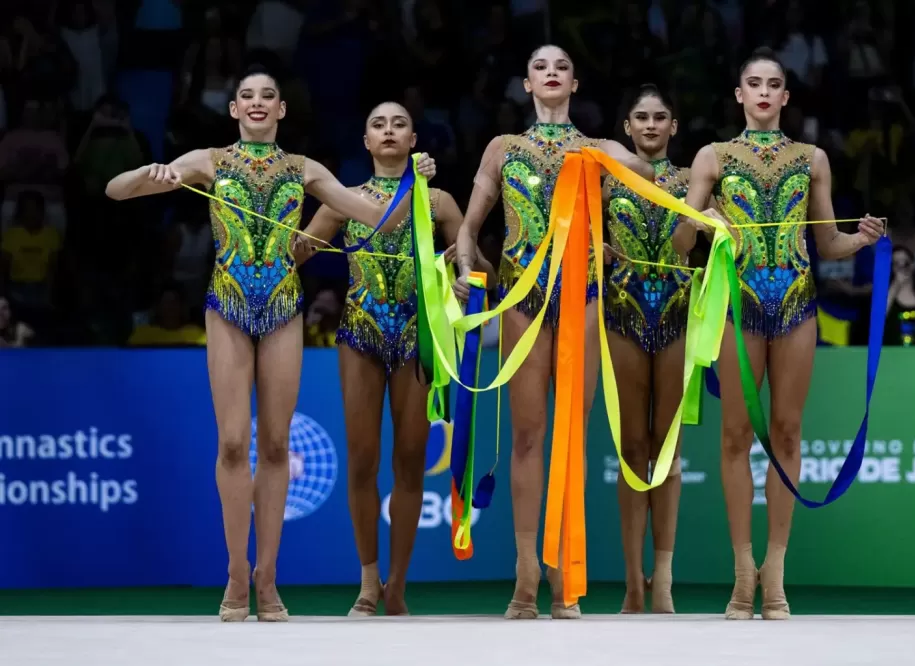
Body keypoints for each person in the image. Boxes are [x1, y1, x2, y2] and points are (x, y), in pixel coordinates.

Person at [105, 65, 436, 622]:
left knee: (277, 446)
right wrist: (151, 173)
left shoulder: (304, 169)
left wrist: (416, 180)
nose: (257, 103)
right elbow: (115, 191)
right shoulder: (209, 160)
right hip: (228, 309)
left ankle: (267, 580)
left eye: (268, 96)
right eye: (247, 96)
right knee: (233, 443)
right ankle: (236, 575)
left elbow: (380, 218)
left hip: (283, 309)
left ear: (281, 110)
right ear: (234, 109)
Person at [453, 44, 671, 620]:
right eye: (540, 68)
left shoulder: (595, 148)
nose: (551, 74)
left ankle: (563, 576)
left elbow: (648, 172)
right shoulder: (504, 148)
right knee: (527, 439)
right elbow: (470, 229)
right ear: (527, 84)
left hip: (582, 301)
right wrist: (463, 273)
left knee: (571, 441)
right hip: (524, 301)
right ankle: (526, 574)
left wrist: (602, 158)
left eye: (562, 68)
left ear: (574, 85)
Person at [676, 47, 882, 620]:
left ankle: (776, 574)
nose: (764, 92)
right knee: (736, 437)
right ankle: (743, 574)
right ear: (739, 95)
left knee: (788, 432)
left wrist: (860, 239)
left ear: (786, 97)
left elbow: (828, 243)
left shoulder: (812, 158)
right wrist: (703, 219)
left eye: (774, 84)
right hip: (736, 309)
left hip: (795, 304)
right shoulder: (712, 157)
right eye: (753, 83)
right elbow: (679, 242)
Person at [295, 101, 493, 616]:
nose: (388, 131)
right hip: (360, 335)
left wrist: (460, 266)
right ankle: (367, 583)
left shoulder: (443, 201)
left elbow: (478, 267)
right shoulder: (344, 199)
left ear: (413, 141)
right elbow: (301, 253)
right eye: (378, 125)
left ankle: (398, 585)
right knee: (362, 463)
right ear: (366, 142)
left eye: (398, 124)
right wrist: (283, 228)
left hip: (416, 339)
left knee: (409, 463)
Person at [602, 84, 689, 614]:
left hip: (681, 313)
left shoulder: (694, 180)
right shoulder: (607, 179)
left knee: (669, 447)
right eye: (641, 118)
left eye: (660, 117)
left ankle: (665, 577)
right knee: (633, 446)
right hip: (622, 312)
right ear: (627, 130)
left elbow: (722, 234)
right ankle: (633, 582)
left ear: (673, 127)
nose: (652, 125)